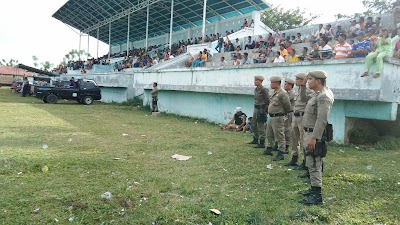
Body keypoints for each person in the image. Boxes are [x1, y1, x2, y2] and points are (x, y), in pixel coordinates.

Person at [298, 70, 334, 206]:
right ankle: (313, 189)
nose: (308, 81)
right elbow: (302, 98)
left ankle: (317, 195)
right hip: (309, 132)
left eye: (310, 79)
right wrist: (302, 84)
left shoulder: (323, 96)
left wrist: (314, 138)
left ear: (318, 81)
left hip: (314, 134)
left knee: (314, 163)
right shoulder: (317, 94)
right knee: (310, 162)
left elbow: (321, 119)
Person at [284, 73, 313, 168]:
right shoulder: (297, 90)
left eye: (297, 79)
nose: (295, 81)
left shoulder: (307, 91)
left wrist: (304, 86)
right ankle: (294, 157)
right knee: (294, 138)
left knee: (303, 139)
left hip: (302, 117)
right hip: (295, 117)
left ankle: (305, 161)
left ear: (302, 80)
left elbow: (304, 99)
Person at [263, 76, 291, 161]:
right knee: (269, 133)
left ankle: (281, 152)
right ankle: (269, 148)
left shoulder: (282, 93)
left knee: (279, 135)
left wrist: (283, 114)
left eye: (272, 83)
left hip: (278, 117)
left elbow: (287, 106)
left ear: (277, 83)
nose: (271, 84)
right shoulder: (275, 92)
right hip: (271, 116)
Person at [247, 76, 270, 148]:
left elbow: (267, 101)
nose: (255, 81)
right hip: (256, 108)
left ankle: (262, 142)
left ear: (261, 81)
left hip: (261, 109)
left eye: (257, 80)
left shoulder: (264, 90)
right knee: (254, 124)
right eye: (255, 80)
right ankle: (255, 138)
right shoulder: (256, 89)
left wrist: (265, 110)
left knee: (260, 125)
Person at [283, 78, 295, 154]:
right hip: (284, 113)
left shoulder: (292, 93)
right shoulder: (285, 93)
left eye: (286, 84)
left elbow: (285, 101)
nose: (284, 86)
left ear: (290, 85)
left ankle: (286, 146)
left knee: (287, 129)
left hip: (289, 113)